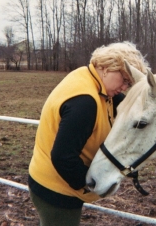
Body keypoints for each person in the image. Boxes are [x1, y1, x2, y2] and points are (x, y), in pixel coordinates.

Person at [28, 41, 149, 226]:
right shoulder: (85, 102)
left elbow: (121, 103)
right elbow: (63, 157)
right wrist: (94, 184)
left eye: (129, 83)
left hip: (51, 180)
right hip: (56, 191)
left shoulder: (90, 77)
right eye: (124, 80)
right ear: (107, 68)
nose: (125, 87)